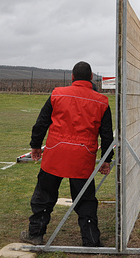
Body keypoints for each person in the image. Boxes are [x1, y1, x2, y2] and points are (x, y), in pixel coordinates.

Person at [21, 61, 114, 247]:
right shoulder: (102, 101)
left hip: (55, 154)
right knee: (85, 201)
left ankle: (35, 234)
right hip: (83, 158)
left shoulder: (57, 94)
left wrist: (36, 146)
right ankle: (91, 241)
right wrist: (106, 160)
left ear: (72, 77)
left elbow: (41, 123)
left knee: (44, 196)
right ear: (91, 77)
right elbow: (107, 135)